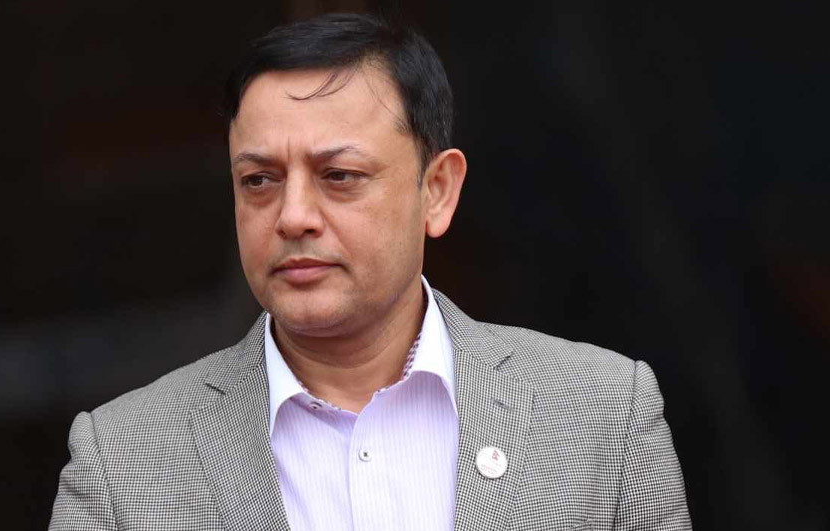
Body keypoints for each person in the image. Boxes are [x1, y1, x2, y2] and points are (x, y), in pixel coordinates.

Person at [49, 13, 690, 531]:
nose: (293, 216)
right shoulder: (124, 462)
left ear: (437, 191)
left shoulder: (601, 413)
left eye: (340, 176)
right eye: (259, 180)